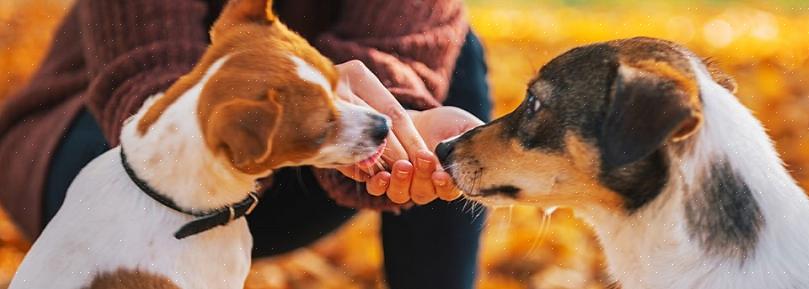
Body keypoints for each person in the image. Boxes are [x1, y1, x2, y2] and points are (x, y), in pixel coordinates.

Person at [0, 1, 493, 289]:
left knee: (461, 54)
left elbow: (402, 43)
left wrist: (402, 127)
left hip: (278, 160)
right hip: (106, 143)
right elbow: (144, 62)